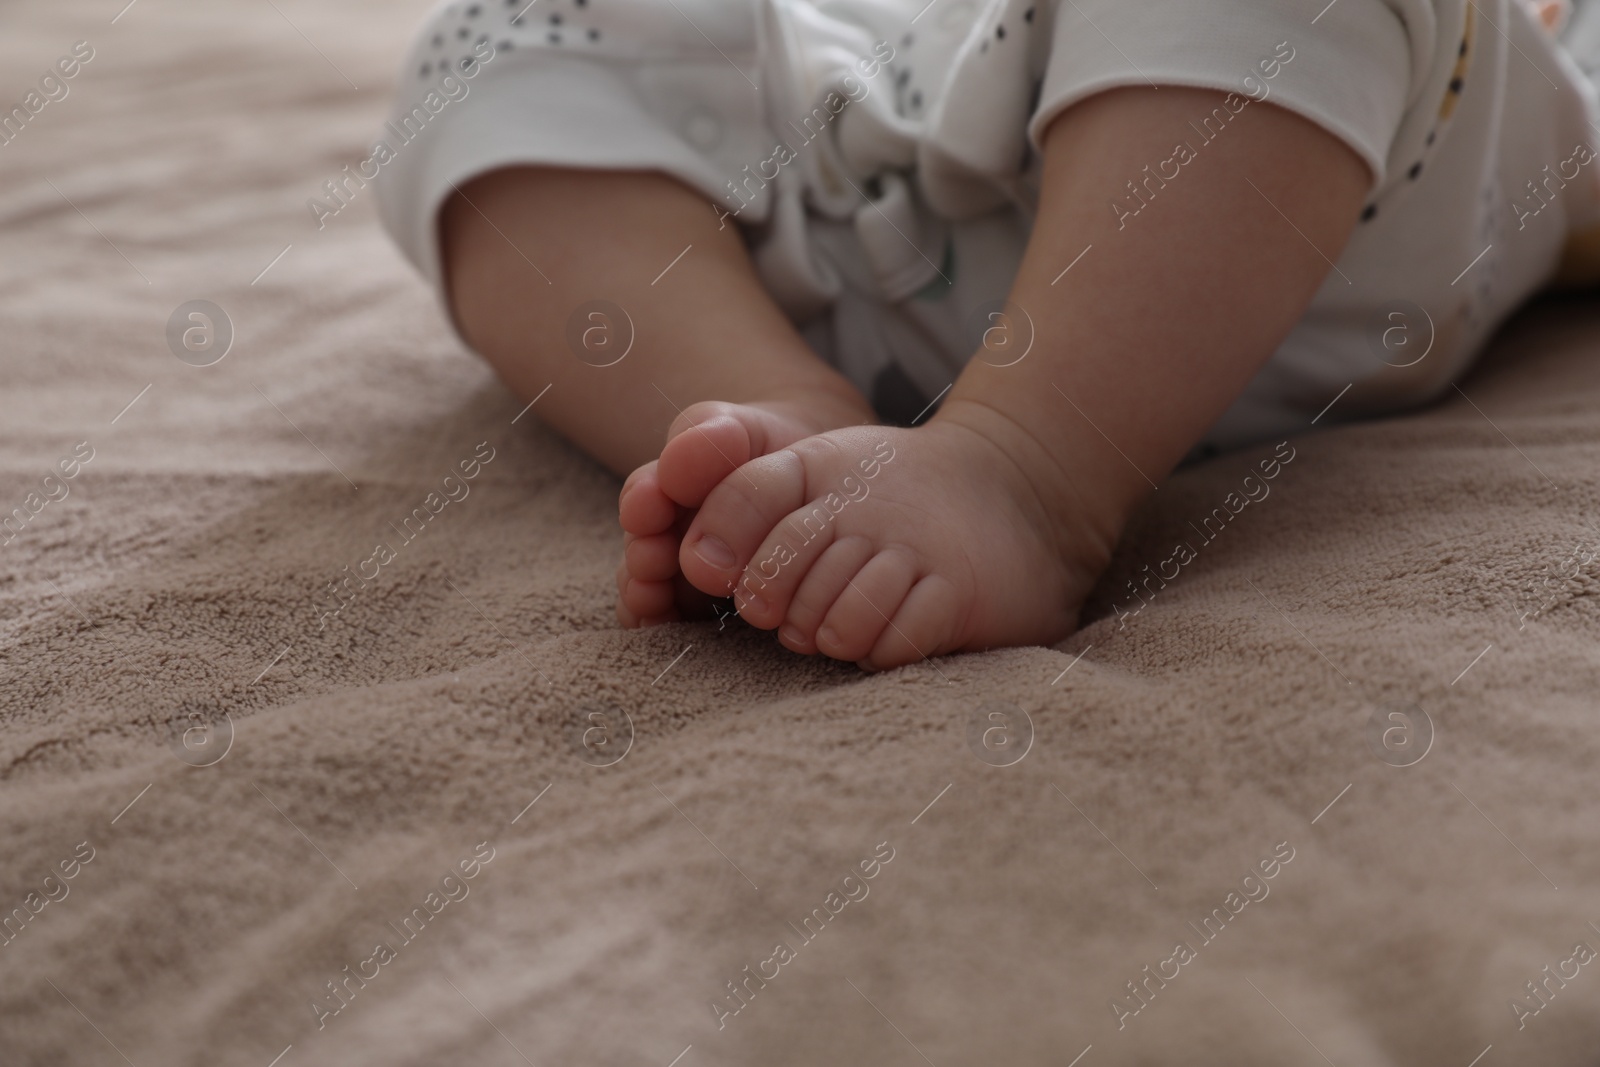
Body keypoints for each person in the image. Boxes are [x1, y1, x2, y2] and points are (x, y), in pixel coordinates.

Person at [374, 0, 1600, 669]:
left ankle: (1026, 469)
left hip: (1337, 161)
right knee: (486, 48)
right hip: (860, 167)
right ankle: (784, 419)